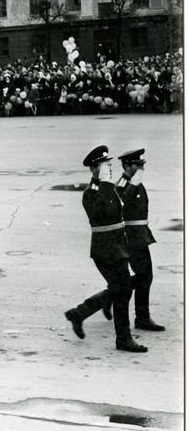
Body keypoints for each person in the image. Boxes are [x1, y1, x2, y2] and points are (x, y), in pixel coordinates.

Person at [64, 146, 147, 353]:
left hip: (118, 246)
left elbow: (120, 208)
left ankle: (79, 313)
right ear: (94, 170)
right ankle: (123, 338)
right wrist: (104, 183)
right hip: (106, 250)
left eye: (109, 165)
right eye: (105, 166)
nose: (110, 169)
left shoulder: (108, 188)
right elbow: (104, 211)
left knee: (121, 289)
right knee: (122, 290)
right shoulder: (91, 193)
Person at [117, 148, 165, 332]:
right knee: (145, 276)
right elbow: (120, 205)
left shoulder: (133, 181)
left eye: (142, 165)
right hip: (132, 237)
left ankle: (107, 299)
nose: (141, 168)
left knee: (143, 276)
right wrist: (134, 184)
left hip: (139, 235)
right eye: (138, 165)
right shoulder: (123, 184)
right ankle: (142, 317)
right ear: (127, 165)